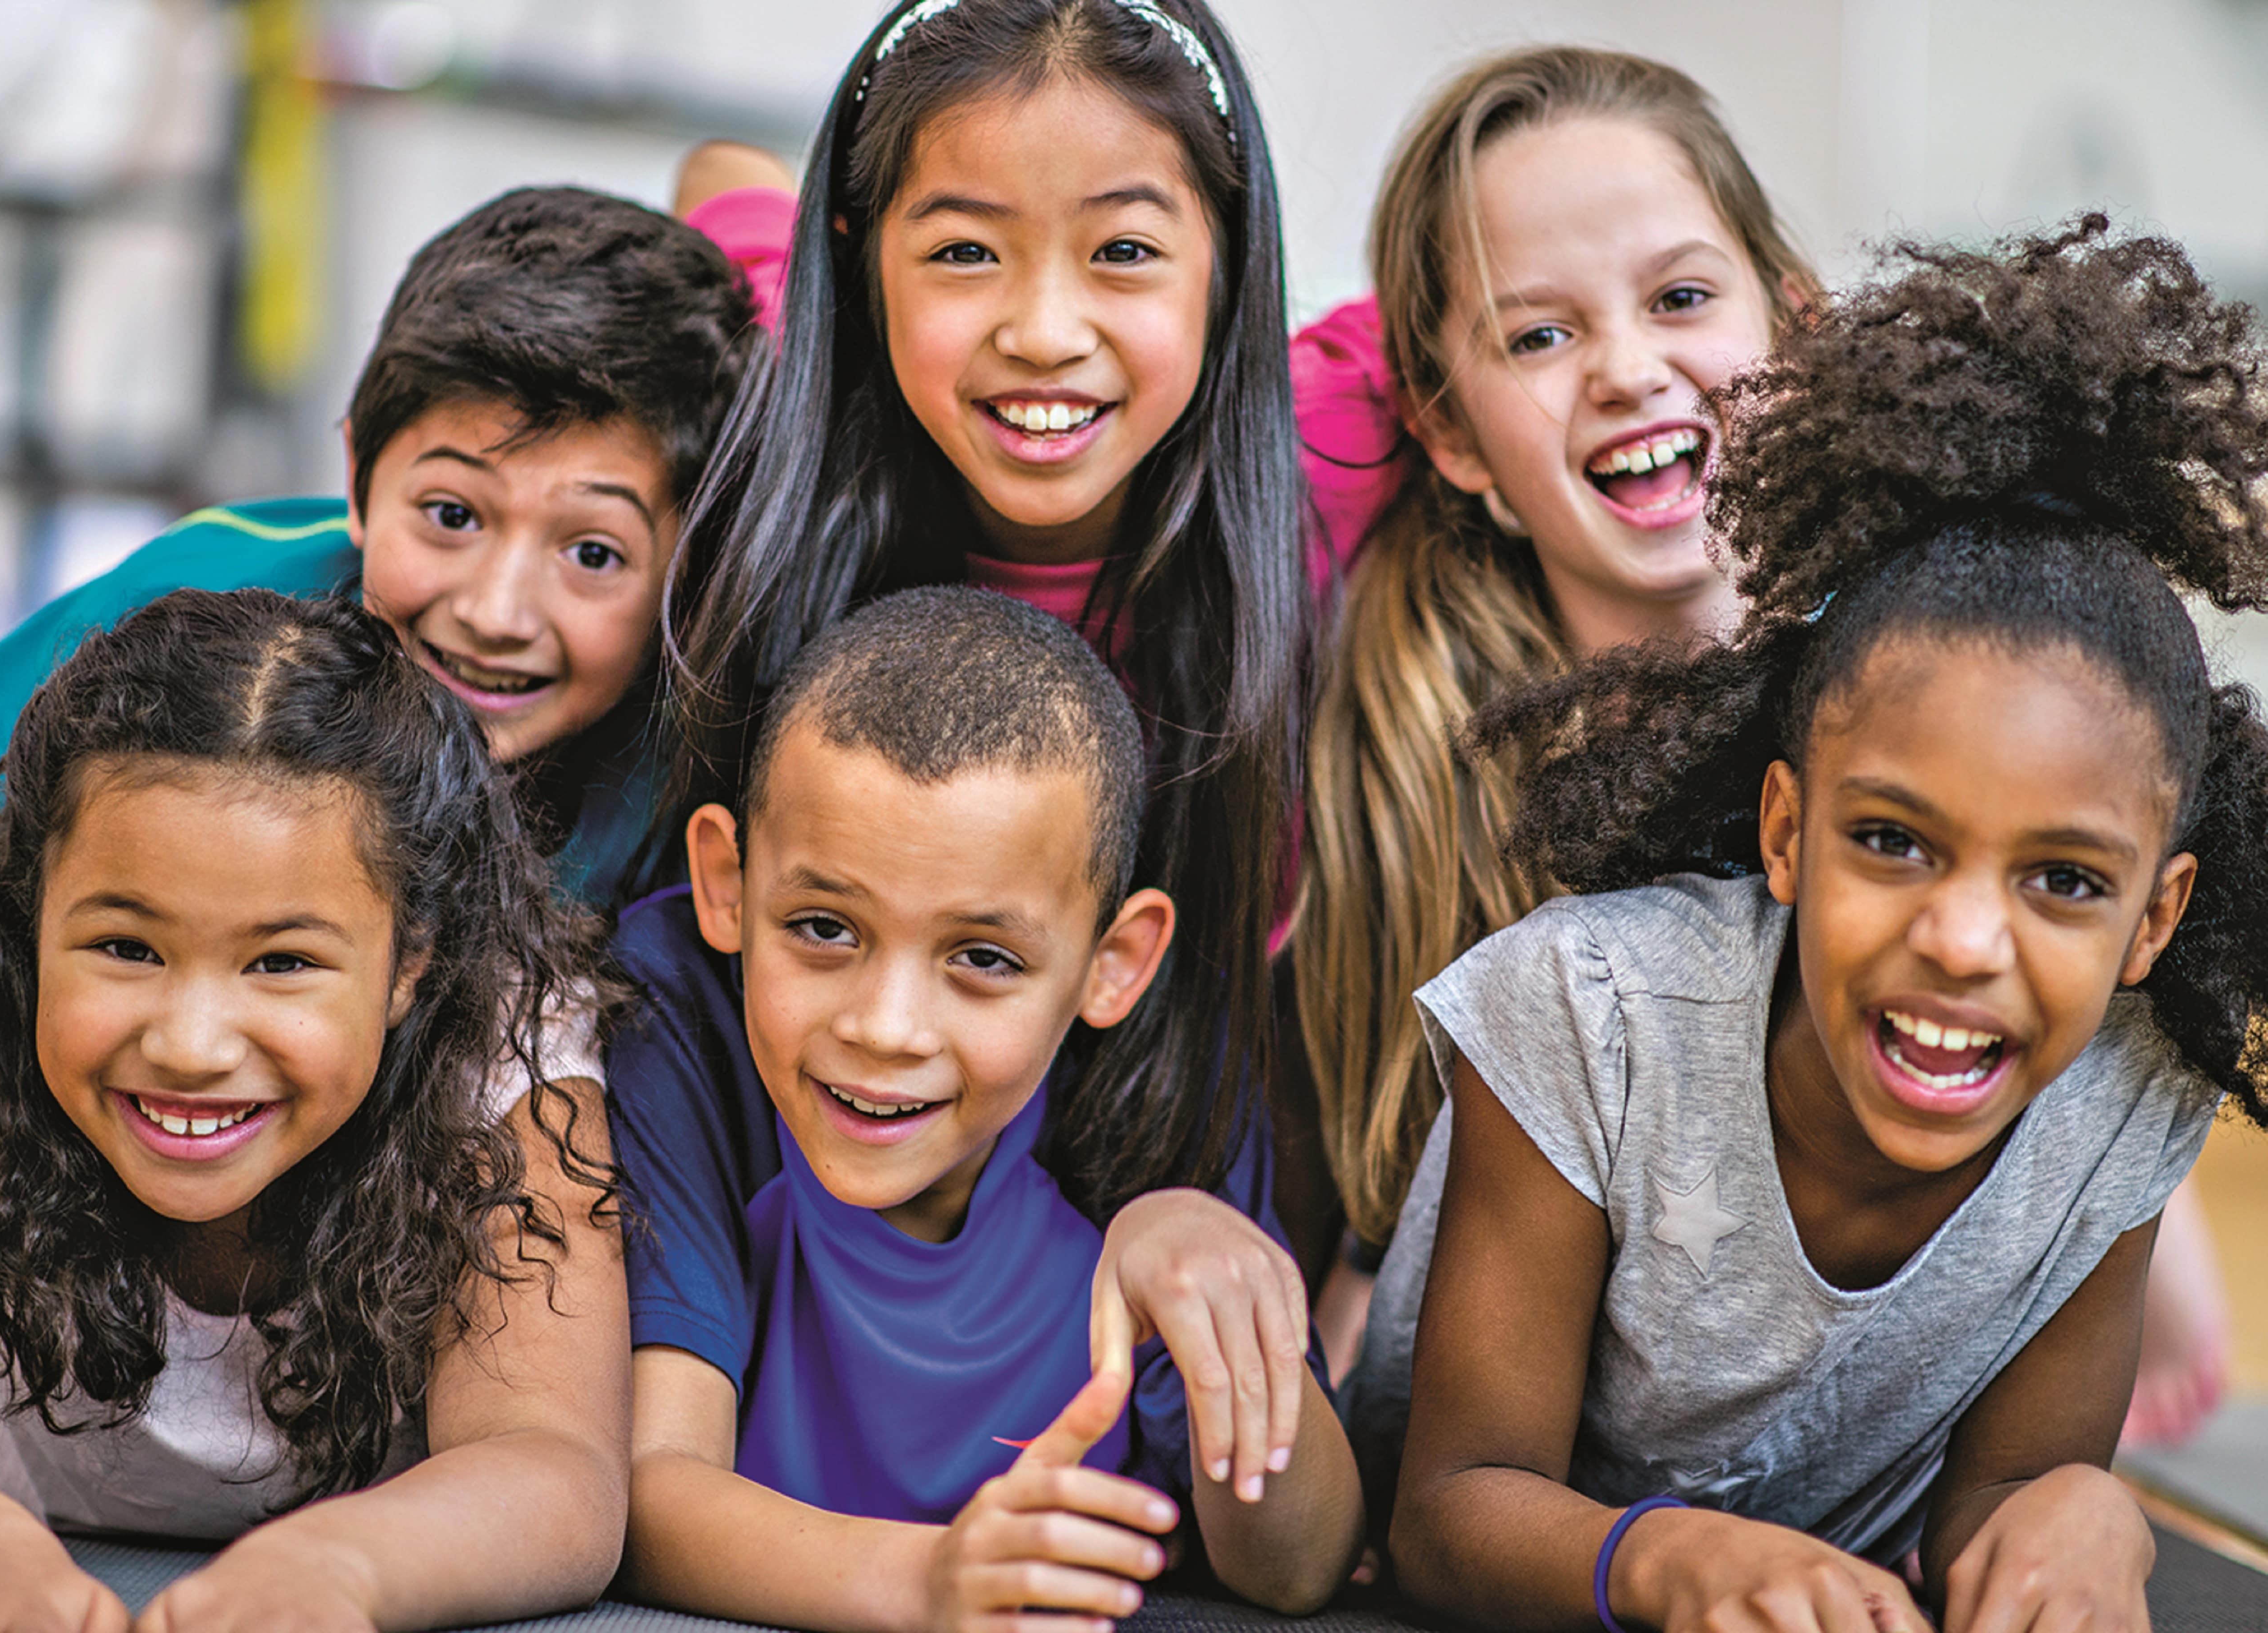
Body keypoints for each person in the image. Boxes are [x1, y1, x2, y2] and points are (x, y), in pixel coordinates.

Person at [1362, 218, 2268, 1631]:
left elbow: (2001, 1494)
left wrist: (2081, 1514)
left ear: (2158, 919)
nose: (1966, 941)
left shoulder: (2127, 1094)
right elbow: (1449, 1508)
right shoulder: (1593, 1013)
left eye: (2067, 882)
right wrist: (1671, 1564)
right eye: (1893, 843)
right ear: (1787, 833)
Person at [0, 184, 760, 1128]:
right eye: (451, 516)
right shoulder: (192, 610)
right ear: (357, 478)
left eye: (592, 554)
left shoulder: (704, 749)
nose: (496, 612)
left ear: (694, 564)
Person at [0, 590, 631, 1631]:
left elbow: (556, 1466)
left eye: (282, 962)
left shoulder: (505, 1060)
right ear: (31, 926)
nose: (191, 1046)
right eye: (125, 948)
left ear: (407, 966)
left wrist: (338, 1571)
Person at [661, 0, 1308, 1233]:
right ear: (861, 262)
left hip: (1142, 1199)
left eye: (1122, 251)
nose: (1045, 332)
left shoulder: (1326, 454)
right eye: (965, 252)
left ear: (1229, 264)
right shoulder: (778, 410)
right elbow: (724, 181)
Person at [610, 587, 1363, 1630]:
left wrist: (1201, 1265)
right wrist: (932, 1584)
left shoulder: (1160, 1086)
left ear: (1115, 964)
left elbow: (1297, 1566)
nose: (886, 1027)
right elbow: (647, 1492)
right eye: (825, 928)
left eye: (983, 959)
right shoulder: (676, 1017)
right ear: (728, 883)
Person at [1292, 46, 1817, 1370]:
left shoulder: (1943, 682)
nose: (1629, 369)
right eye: (1540, 334)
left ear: (1796, 329)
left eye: (1683, 296)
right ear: (1453, 436)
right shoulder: (1413, 766)